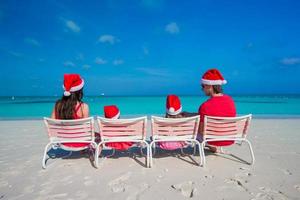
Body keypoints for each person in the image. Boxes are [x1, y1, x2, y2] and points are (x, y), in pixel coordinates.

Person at [198, 68, 236, 152]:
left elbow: (201, 130)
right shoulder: (230, 101)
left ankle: (211, 146)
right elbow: (218, 114)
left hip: (213, 140)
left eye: (203, 86)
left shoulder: (204, 106)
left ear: (209, 86)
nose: (202, 89)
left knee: (196, 128)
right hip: (228, 138)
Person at [51, 74, 90, 149]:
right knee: (97, 135)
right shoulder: (84, 106)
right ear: (80, 90)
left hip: (62, 141)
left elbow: (53, 123)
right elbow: (86, 129)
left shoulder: (58, 105)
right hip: (80, 142)